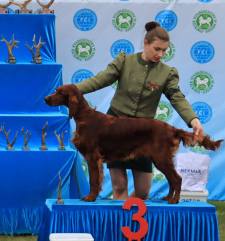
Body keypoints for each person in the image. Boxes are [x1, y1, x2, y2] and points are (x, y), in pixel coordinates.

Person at [74, 20, 204, 201]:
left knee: (143, 192)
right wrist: (72, 89)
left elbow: (177, 97)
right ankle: (120, 225)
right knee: (119, 186)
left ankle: (129, 213)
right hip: (115, 130)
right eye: (156, 49)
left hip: (144, 134)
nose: (160, 54)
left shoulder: (168, 73)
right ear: (145, 43)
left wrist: (193, 119)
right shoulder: (124, 61)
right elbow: (99, 80)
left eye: (164, 50)